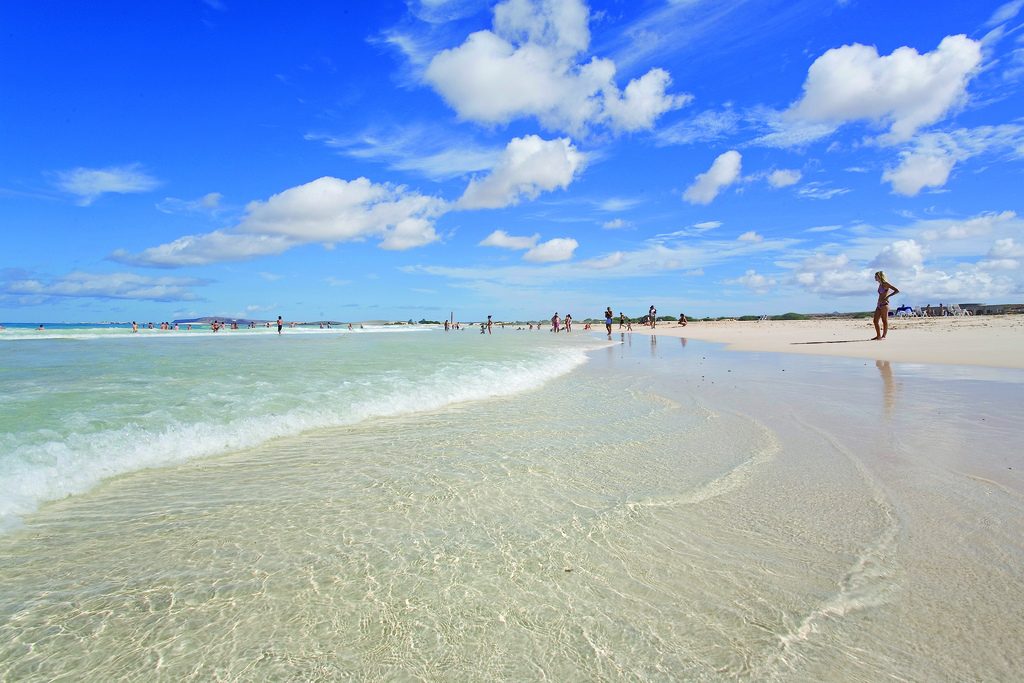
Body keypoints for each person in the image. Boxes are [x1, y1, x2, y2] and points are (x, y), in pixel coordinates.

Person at [872, 271, 899, 340]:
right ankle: (878, 336)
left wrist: (888, 297)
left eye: (876, 276)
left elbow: (896, 290)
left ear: (880, 276)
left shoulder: (885, 284)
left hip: (884, 305)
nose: (875, 277)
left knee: (884, 320)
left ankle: (883, 336)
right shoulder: (880, 285)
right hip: (879, 304)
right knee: (875, 321)